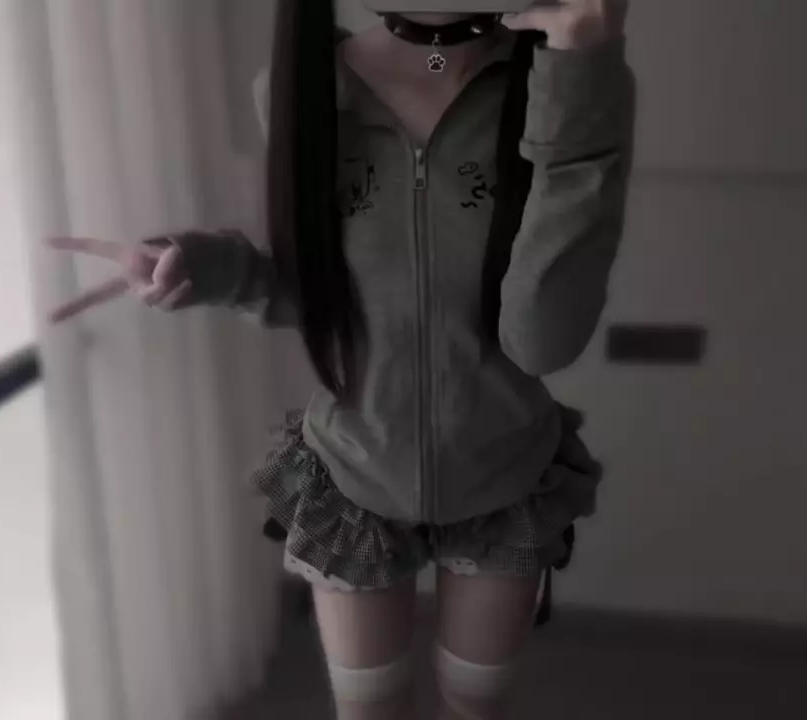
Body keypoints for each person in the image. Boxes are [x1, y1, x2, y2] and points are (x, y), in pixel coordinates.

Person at [49, 1, 634, 717]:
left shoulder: (561, 83)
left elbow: (544, 338)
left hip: (505, 471)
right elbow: (314, 288)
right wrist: (200, 266)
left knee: (476, 703)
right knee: (370, 708)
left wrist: (581, 68)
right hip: (354, 468)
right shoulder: (302, 89)